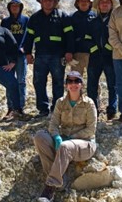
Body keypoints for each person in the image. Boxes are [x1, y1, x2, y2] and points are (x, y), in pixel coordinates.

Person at [33, 71, 97, 201]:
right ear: (66, 85)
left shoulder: (89, 103)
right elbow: (53, 124)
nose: (73, 84)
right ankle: (60, 180)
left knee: (65, 146)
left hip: (85, 143)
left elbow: (91, 130)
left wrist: (71, 137)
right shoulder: (60, 102)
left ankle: (50, 188)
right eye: (70, 81)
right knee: (40, 136)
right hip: (63, 141)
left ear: (81, 84)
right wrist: (56, 136)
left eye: (76, 81)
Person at [24, 0, 75, 117]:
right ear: (41, 1)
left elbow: (70, 36)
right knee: (38, 82)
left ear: (55, 2)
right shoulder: (34, 18)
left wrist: (69, 51)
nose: (48, 2)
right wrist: (28, 53)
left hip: (58, 56)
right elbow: (29, 37)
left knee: (58, 82)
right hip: (40, 55)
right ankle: (43, 109)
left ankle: (57, 109)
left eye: (50, 0)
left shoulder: (63, 16)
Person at [87, 0, 118, 120]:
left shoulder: (115, 20)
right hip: (95, 58)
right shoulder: (92, 21)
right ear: (98, 6)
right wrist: (94, 49)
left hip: (110, 57)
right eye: (102, 2)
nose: (105, 4)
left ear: (111, 5)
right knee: (92, 85)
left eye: (107, 2)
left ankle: (112, 109)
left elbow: (118, 36)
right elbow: (87, 38)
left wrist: (108, 48)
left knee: (113, 84)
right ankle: (93, 109)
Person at [0, 0, 29, 120]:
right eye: (12, 6)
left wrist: (25, 49)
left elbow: (28, 35)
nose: (15, 8)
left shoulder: (26, 20)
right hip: (8, 56)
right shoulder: (5, 22)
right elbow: (3, 38)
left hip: (21, 56)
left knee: (21, 82)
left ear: (21, 7)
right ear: (9, 7)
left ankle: (20, 108)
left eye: (17, 6)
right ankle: (11, 108)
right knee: (10, 82)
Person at [69, 0, 96, 76]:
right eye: (81, 0)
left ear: (90, 3)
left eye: (86, 1)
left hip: (92, 54)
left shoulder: (95, 16)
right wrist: (69, 52)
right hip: (77, 54)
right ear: (77, 3)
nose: (84, 2)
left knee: (94, 80)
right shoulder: (72, 17)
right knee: (75, 79)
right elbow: (69, 36)